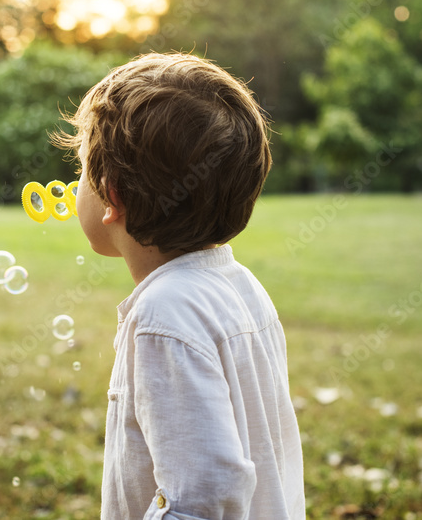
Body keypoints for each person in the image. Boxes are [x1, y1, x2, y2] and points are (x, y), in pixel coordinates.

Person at [52, 53, 305, 519]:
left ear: (112, 196)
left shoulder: (162, 315)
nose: (73, 186)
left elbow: (204, 492)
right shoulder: (241, 287)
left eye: (80, 168)